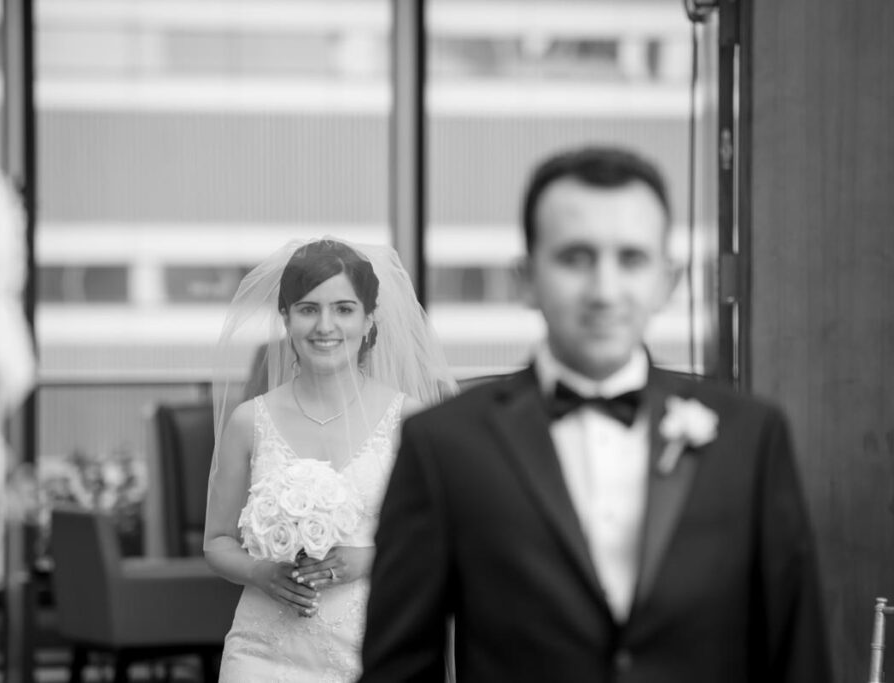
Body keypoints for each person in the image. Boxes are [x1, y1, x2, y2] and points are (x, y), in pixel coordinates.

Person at [360, 147, 832, 682]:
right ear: (526, 278)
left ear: (668, 281)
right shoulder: (444, 444)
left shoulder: (751, 438)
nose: (604, 291)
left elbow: (797, 656)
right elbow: (398, 669)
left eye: (631, 259)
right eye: (575, 258)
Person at [203, 238, 456, 682]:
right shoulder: (249, 422)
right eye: (308, 309)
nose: (325, 326)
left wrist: (368, 559)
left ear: (369, 319)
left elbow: (441, 541)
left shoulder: (408, 420)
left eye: (343, 309)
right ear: (286, 318)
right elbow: (217, 542)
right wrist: (261, 572)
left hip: (372, 647)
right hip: (261, 654)